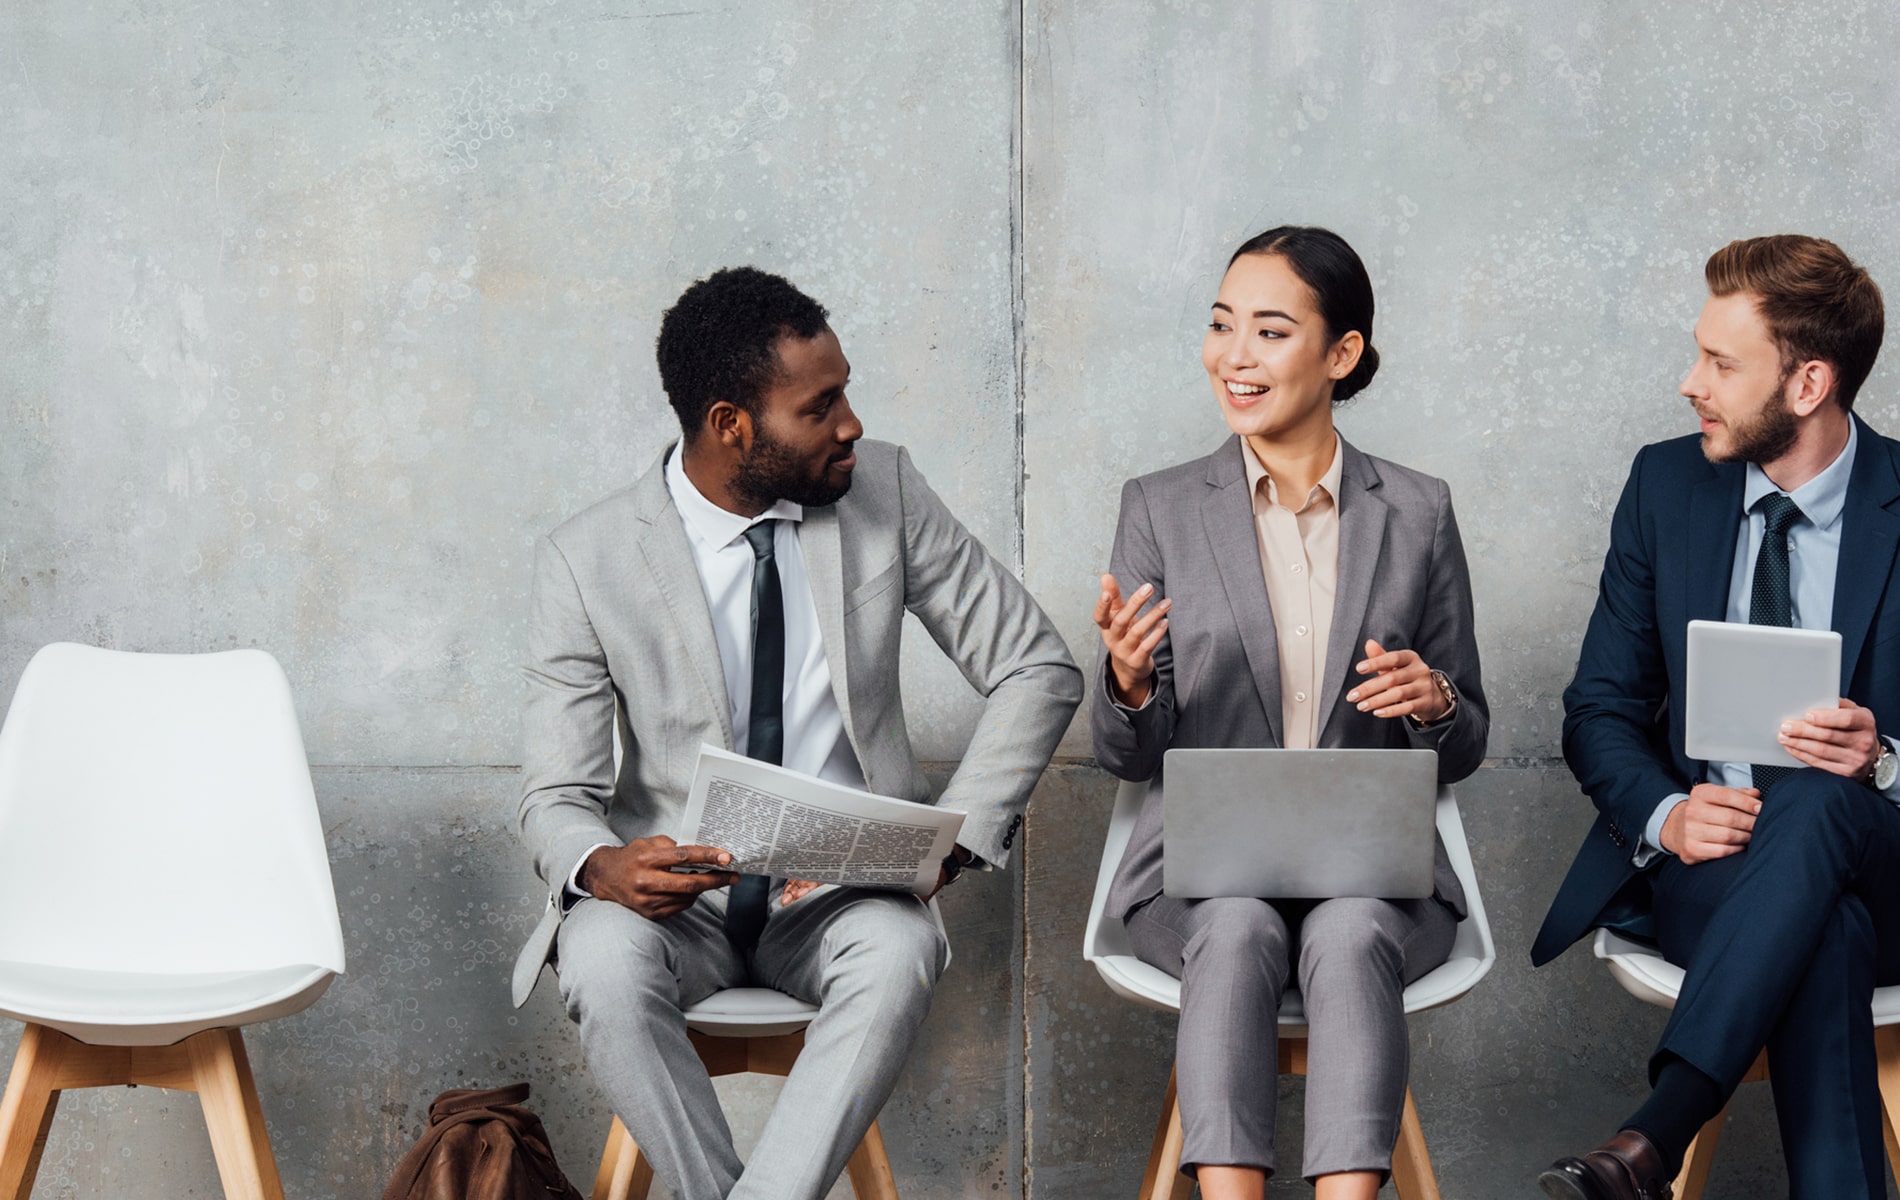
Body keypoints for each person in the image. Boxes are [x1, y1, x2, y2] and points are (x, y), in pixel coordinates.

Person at [509, 266, 1081, 1200]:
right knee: (601, 963)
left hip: (840, 895)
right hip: (677, 905)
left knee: (899, 955)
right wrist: (600, 866)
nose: (851, 422)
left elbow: (1037, 665)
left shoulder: (884, 491)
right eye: (821, 407)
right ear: (731, 423)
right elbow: (555, 796)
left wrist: (961, 836)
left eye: (845, 392)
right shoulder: (587, 560)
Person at [1091, 226, 1488, 1200]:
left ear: (1339, 354)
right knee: (1232, 927)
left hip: (1377, 877)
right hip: (1197, 877)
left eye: (1269, 331)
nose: (1233, 355)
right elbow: (1121, 755)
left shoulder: (1419, 513)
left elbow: (1468, 742)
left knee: (1350, 933)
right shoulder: (1160, 508)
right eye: (1222, 326)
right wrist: (1131, 684)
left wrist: (1435, 702)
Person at [1534, 235, 1900, 1200]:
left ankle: (1655, 1132)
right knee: (1823, 930)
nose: (1690, 382)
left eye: (1721, 364)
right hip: (1714, 869)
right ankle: (1645, 1154)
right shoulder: (1665, 486)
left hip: (1889, 859)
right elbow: (1600, 708)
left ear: (1810, 382)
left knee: (1821, 806)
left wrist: (1885, 761)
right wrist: (1666, 814)